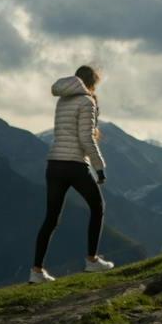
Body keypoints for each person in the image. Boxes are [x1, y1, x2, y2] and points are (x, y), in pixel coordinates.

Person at [29, 64, 114, 283]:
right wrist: (99, 167)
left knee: (51, 218)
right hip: (74, 164)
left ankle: (36, 271)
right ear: (92, 83)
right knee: (98, 207)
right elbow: (86, 138)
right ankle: (92, 260)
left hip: (54, 163)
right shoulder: (87, 102)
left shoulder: (63, 99)